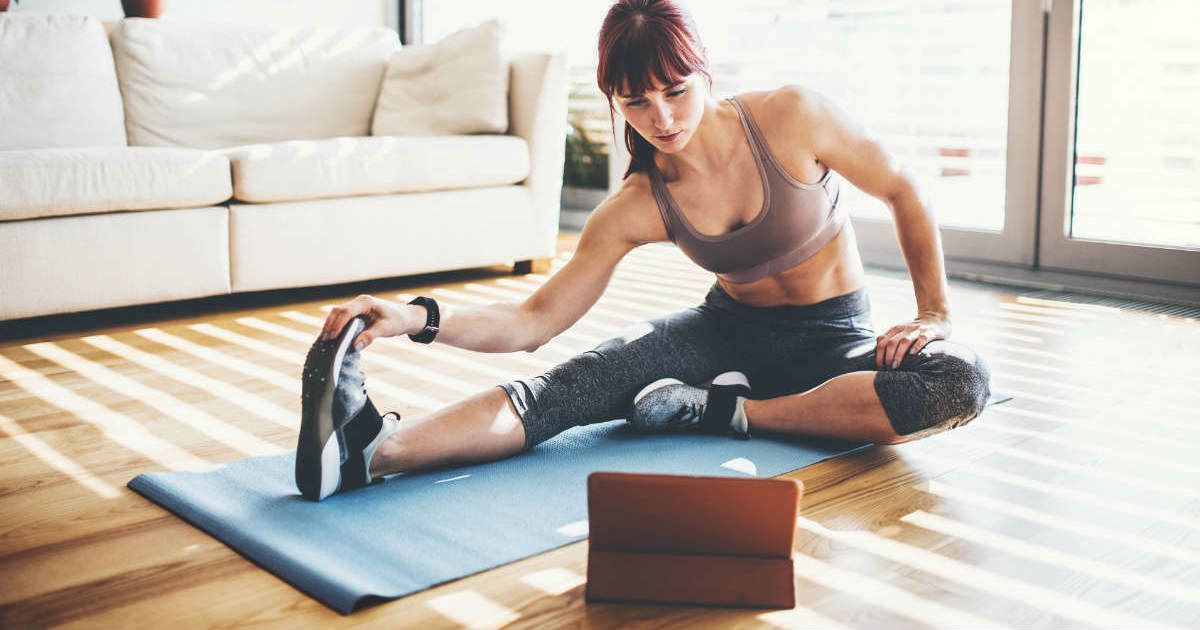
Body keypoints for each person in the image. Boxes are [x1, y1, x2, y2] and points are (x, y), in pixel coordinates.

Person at [295, 0, 991, 501]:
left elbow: (903, 189)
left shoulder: (791, 117)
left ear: (704, 72)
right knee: (569, 389)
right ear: (614, 101)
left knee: (959, 381)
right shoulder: (638, 203)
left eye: (675, 91)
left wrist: (933, 314)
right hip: (724, 335)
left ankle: (725, 411)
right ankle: (369, 452)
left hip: (835, 341)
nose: (661, 118)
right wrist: (414, 318)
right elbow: (533, 321)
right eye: (635, 102)